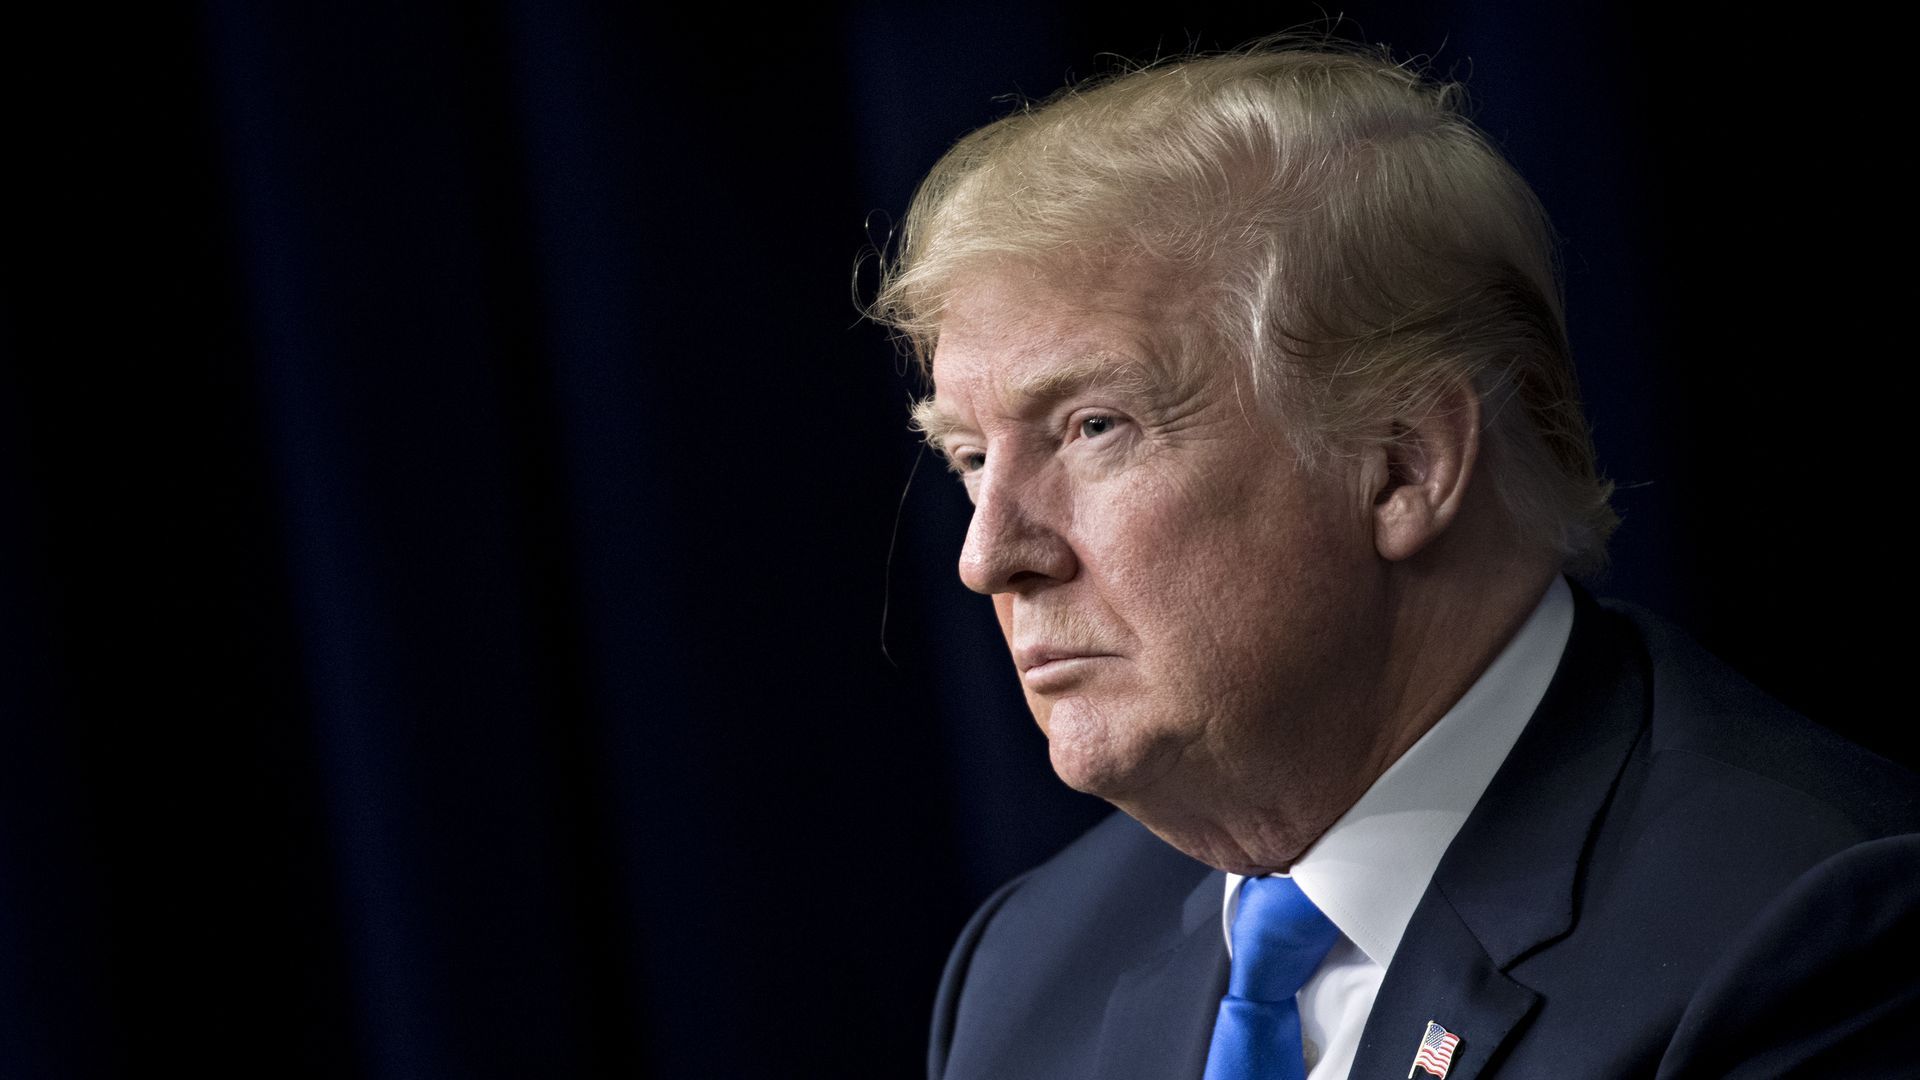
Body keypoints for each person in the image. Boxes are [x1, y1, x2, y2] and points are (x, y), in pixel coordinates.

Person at [872, 42, 1920, 1080]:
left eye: (1093, 427)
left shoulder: (1812, 933)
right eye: (969, 456)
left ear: (1403, 464)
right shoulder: (1025, 969)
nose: (991, 556)